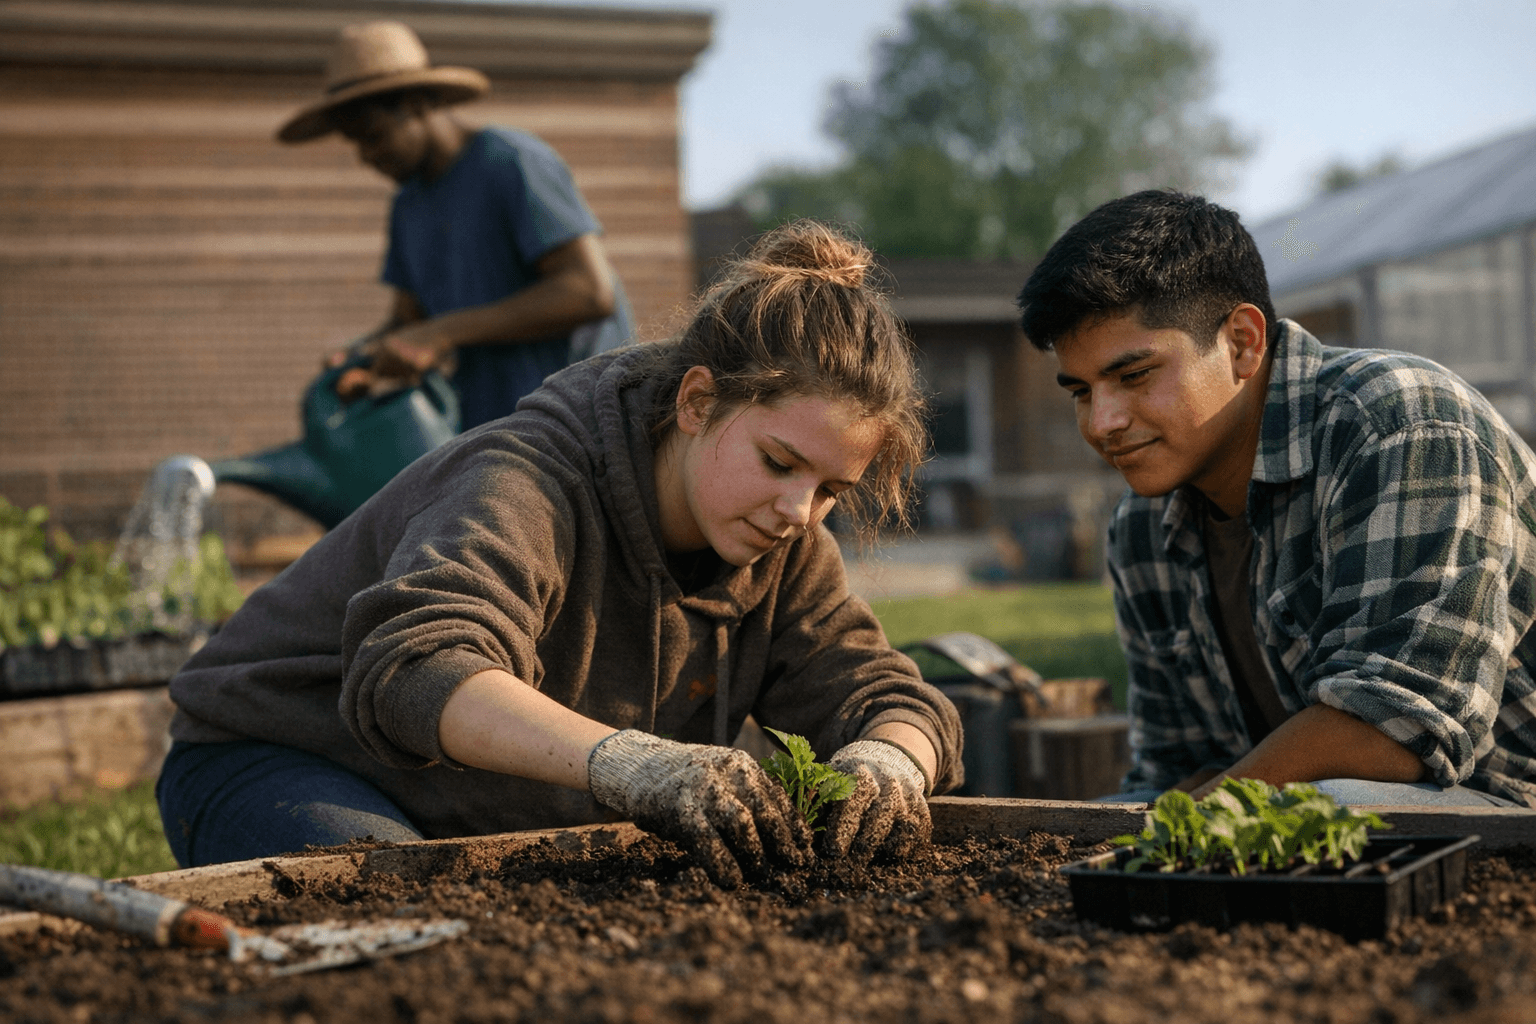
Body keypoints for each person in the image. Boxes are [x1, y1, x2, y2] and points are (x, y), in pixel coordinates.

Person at [157, 221, 964, 887]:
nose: (800, 511)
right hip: (283, 759)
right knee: (410, 934)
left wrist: (888, 758)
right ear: (696, 401)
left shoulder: (781, 539)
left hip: (479, 809)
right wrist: (635, 765)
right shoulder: (525, 482)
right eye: (780, 463)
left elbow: (883, 693)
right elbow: (420, 668)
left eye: (831, 489)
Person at [1016, 189, 1536, 808]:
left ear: (1242, 342)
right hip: (1298, 825)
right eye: (1080, 391)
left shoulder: (1400, 425)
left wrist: (1197, 819)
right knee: (1094, 823)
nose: (1101, 423)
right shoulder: (1140, 529)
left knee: (1337, 804)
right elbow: (1176, 767)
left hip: (1501, 808)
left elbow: (1399, 730)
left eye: (1133, 376)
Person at [277, 20, 634, 430]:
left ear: (416, 105)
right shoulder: (408, 206)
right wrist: (367, 355)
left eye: (373, 135)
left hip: (577, 428)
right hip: (489, 433)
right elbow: (411, 321)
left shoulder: (511, 162)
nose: (365, 156)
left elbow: (589, 292)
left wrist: (441, 333)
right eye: (354, 142)